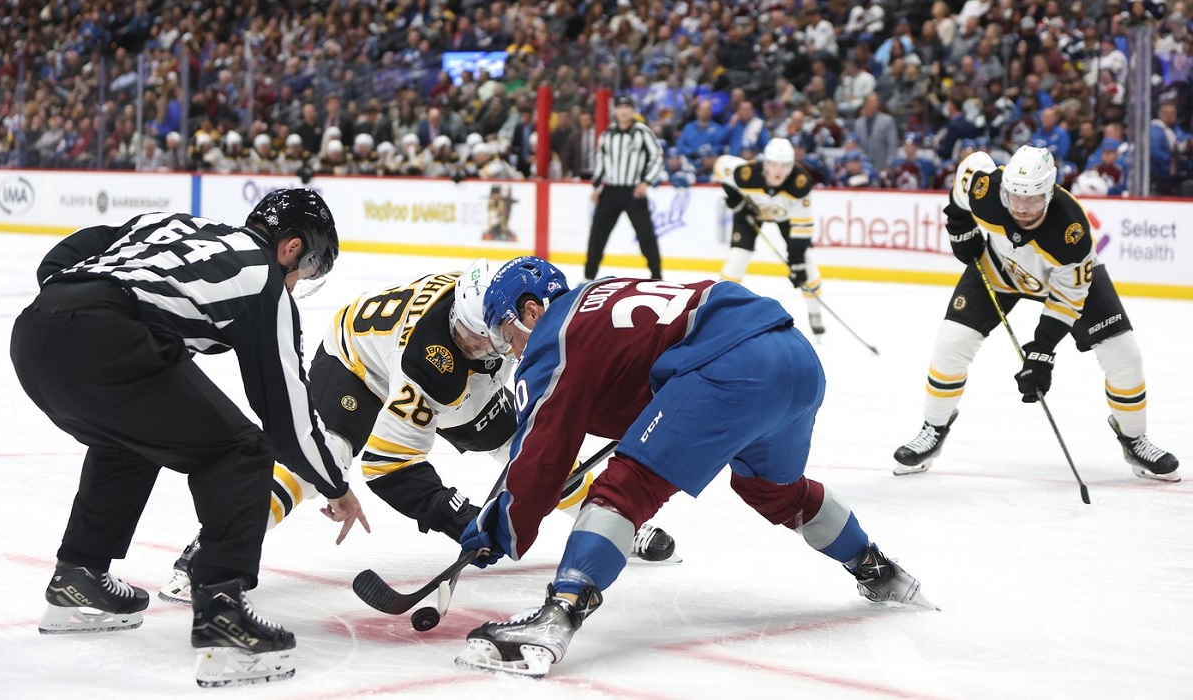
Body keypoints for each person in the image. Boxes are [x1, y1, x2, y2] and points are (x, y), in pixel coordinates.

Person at [454, 256, 935, 678]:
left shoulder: (549, 338)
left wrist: (500, 526)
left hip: (732, 366)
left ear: (531, 310)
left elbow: (542, 452)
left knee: (623, 490)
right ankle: (879, 571)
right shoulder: (600, 295)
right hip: (795, 358)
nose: (507, 349)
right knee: (775, 490)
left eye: (502, 332)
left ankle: (557, 617)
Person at [9, 189, 368, 687]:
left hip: (34, 332)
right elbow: (286, 422)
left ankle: (79, 577)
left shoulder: (171, 225)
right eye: (305, 270)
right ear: (291, 248)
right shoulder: (265, 280)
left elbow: (66, 254)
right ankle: (222, 612)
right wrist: (336, 487)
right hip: (106, 336)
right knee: (243, 452)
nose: (297, 281)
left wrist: (71, 313)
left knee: (131, 437)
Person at [159, 260, 680, 603]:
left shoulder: (496, 305)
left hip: (455, 378)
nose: (480, 344)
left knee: (525, 445)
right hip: (358, 361)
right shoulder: (433, 358)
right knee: (325, 459)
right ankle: (212, 547)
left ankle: (614, 525)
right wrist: (459, 517)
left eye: (487, 337)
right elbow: (388, 466)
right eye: (474, 337)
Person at [892, 146, 1181, 481]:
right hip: (998, 270)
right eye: (1015, 197)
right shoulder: (986, 190)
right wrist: (959, 226)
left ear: (1050, 192)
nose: (1021, 208)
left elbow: (1067, 297)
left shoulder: (1070, 230)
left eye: (1031, 200)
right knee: (950, 344)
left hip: (1064, 282)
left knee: (1125, 355)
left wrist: (1041, 350)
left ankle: (1134, 437)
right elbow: (970, 168)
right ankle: (933, 429)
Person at [715, 138, 826, 335]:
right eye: (773, 163)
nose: (778, 170)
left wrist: (796, 262)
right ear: (765, 162)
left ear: (792, 165)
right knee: (736, 260)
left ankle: (814, 311)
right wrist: (735, 199)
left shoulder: (800, 184)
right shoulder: (747, 174)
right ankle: (718, 313)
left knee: (807, 263)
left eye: (785, 165)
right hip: (751, 212)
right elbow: (720, 165)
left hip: (786, 218)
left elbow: (802, 229)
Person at [584, 95, 665, 281]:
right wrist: (596, 186)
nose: (623, 111)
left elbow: (657, 157)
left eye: (627, 107)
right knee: (598, 234)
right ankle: (588, 277)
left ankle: (657, 275)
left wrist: (646, 182)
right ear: (615, 110)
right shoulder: (607, 134)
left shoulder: (643, 132)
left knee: (646, 235)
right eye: (620, 107)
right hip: (610, 190)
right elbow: (600, 161)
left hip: (633, 191)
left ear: (633, 110)